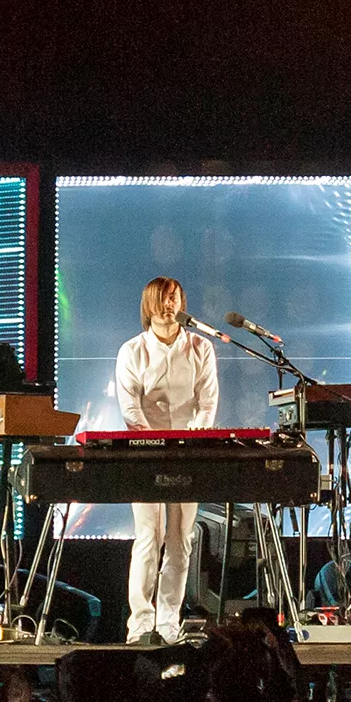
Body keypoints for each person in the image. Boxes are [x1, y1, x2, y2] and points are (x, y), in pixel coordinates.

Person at [115, 276, 220, 645]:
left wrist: (193, 437)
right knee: (148, 535)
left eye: (175, 298)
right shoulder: (132, 350)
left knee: (181, 538)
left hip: (188, 452)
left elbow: (207, 401)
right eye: (162, 298)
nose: (169, 305)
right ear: (149, 304)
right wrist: (151, 438)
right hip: (146, 452)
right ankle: (141, 622)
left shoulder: (199, 347)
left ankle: (168, 620)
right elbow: (129, 404)